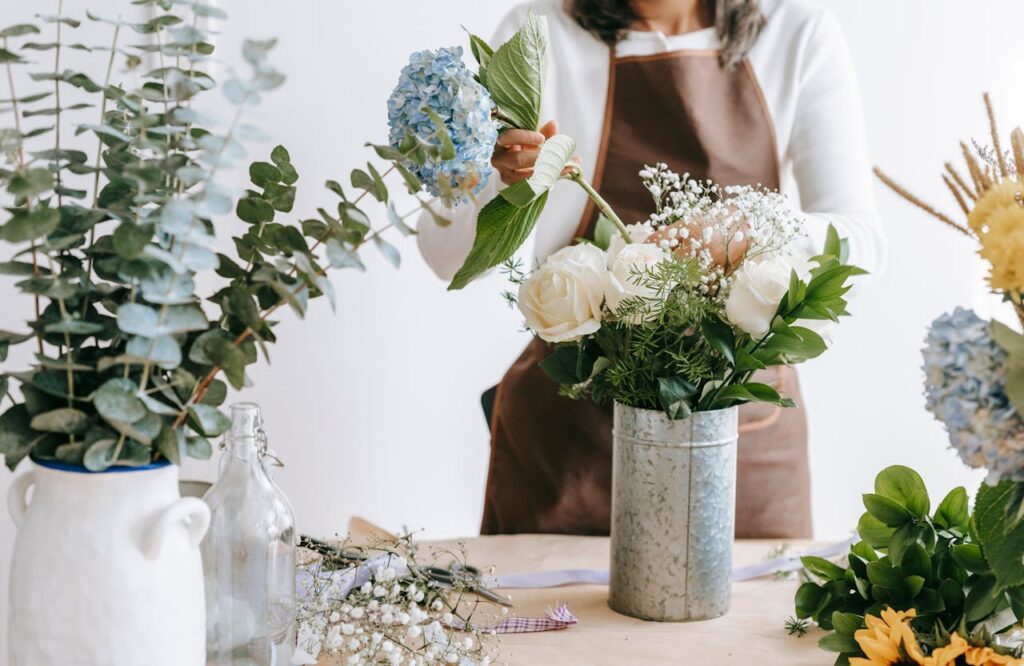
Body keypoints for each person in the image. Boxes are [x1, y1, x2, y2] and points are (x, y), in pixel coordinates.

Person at [417, 0, 885, 537]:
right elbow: (443, 254)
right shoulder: (539, 35)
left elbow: (862, 244)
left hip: (746, 438)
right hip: (569, 443)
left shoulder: (798, 34)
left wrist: (751, 229)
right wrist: (502, 183)